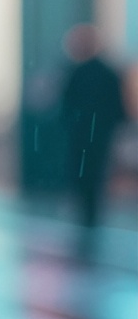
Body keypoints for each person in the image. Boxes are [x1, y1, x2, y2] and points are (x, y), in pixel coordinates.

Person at [60, 24, 127, 233]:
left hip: (83, 133)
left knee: (84, 172)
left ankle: (87, 212)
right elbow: (117, 105)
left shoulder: (78, 72)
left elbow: (67, 104)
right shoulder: (107, 72)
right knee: (94, 172)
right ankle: (91, 212)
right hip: (98, 133)